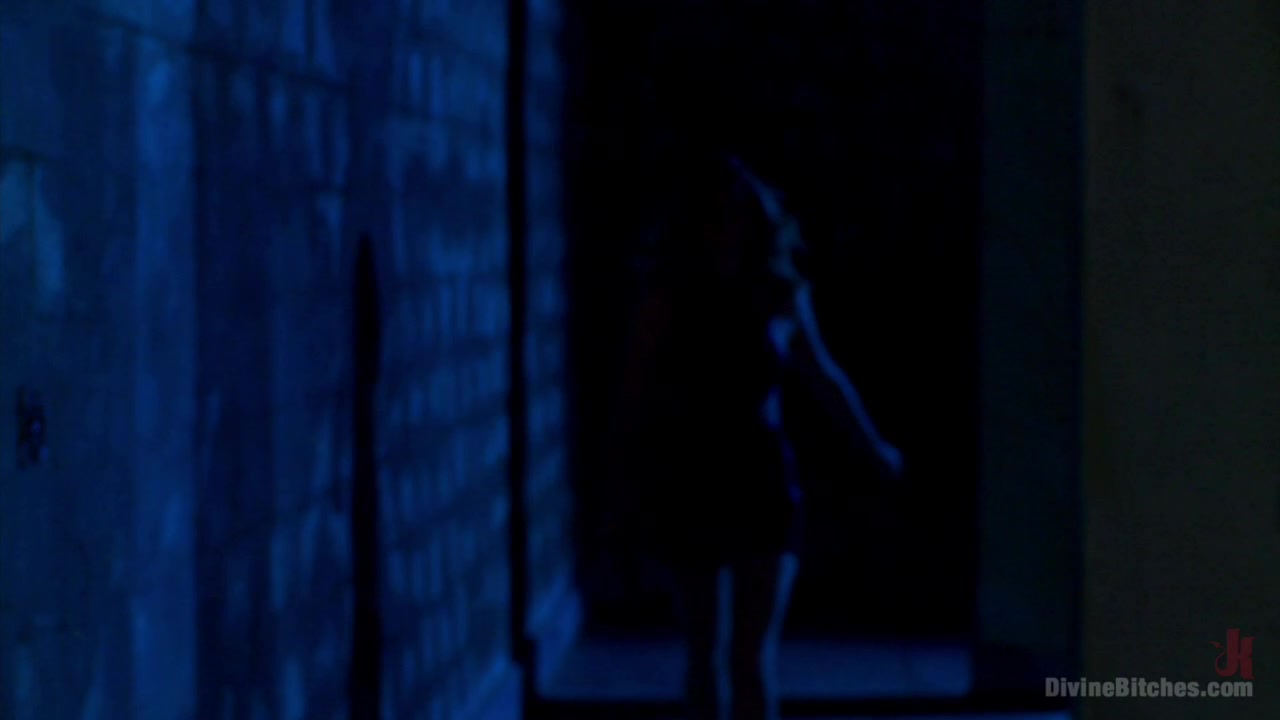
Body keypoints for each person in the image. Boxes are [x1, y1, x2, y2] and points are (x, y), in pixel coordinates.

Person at [611, 146, 904, 720]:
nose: (728, 227)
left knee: (751, 655)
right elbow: (634, 392)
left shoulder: (778, 291)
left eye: (738, 214)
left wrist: (873, 447)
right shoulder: (669, 294)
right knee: (705, 651)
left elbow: (822, 374)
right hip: (690, 478)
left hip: (761, 479)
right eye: (716, 214)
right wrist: (624, 484)